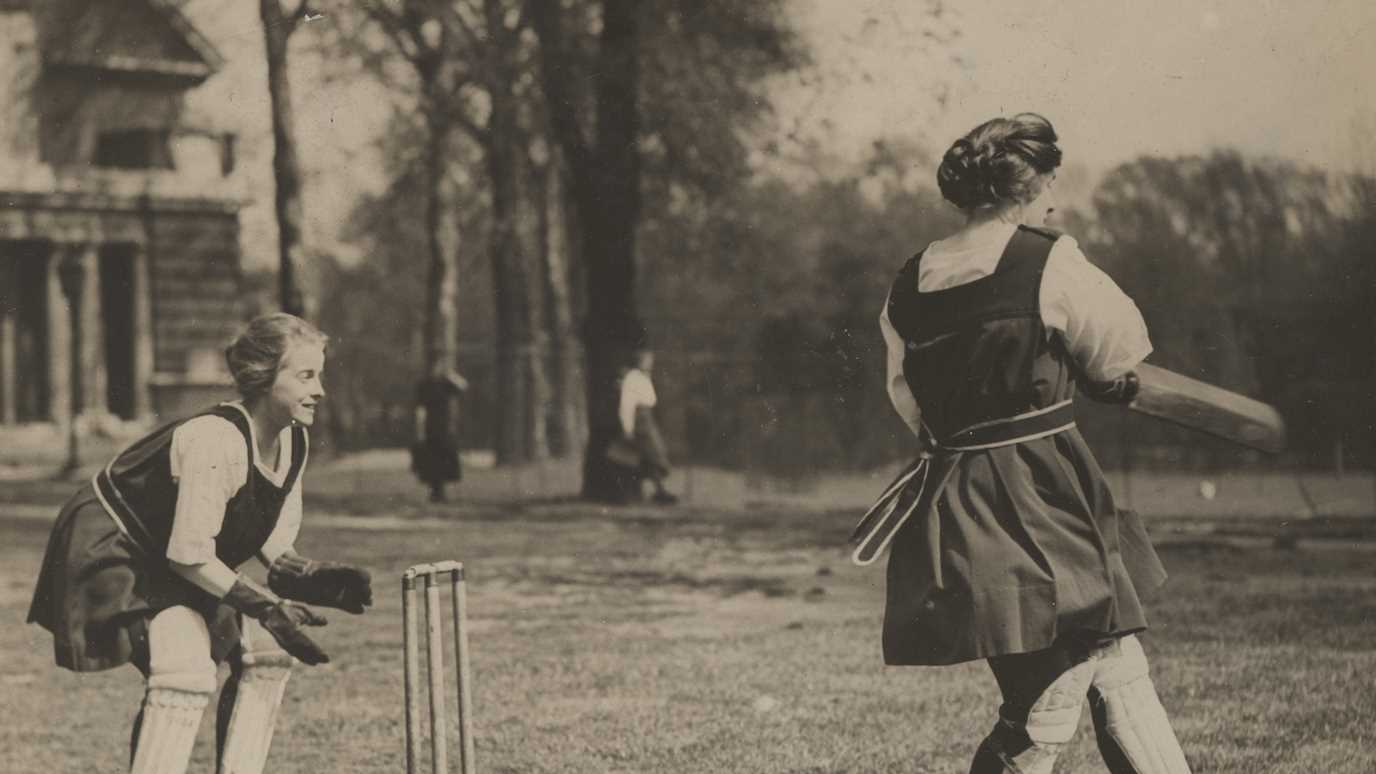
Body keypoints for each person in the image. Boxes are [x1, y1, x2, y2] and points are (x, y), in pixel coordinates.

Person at [861, 113, 1191, 773]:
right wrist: (1102, 380)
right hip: (1043, 489)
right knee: (1048, 703)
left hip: (959, 497)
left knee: (1118, 667)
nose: (1054, 201)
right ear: (1029, 187)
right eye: (1050, 184)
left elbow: (908, 399)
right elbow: (1115, 352)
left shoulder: (909, 281)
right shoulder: (1049, 259)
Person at [27, 313, 372, 774]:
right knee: (183, 665)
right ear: (263, 376)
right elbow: (189, 556)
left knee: (268, 653)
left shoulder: (294, 440)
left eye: (320, 375)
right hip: (114, 542)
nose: (320, 390)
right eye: (306, 376)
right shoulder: (216, 439)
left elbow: (269, 533)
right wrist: (267, 606)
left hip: (172, 549)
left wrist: (299, 573)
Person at [610, 344, 677, 505]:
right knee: (643, 456)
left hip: (647, 418)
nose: (649, 362)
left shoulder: (644, 377)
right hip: (639, 421)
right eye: (646, 359)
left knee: (650, 457)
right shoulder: (632, 377)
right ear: (639, 360)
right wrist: (627, 428)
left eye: (650, 359)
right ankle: (627, 493)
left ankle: (659, 491)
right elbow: (627, 404)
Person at [412, 364, 469, 503]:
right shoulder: (424, 385)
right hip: (430, 427)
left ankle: (439, 492)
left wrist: (450, 374)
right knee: (433, 460)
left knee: (443, 459)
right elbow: (420, 409)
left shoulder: (446, 384)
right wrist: (420, 429)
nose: (436, 369)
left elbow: (463, 386)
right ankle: (436, 492)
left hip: (444, 427)